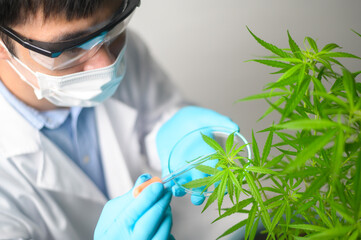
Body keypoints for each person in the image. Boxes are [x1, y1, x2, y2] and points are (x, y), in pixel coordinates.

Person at [0, 0, 238, 239]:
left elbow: (157, 116)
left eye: (114, 25)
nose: (106, 64)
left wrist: (175, 130)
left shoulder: (116, 46)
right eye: (71, 48)